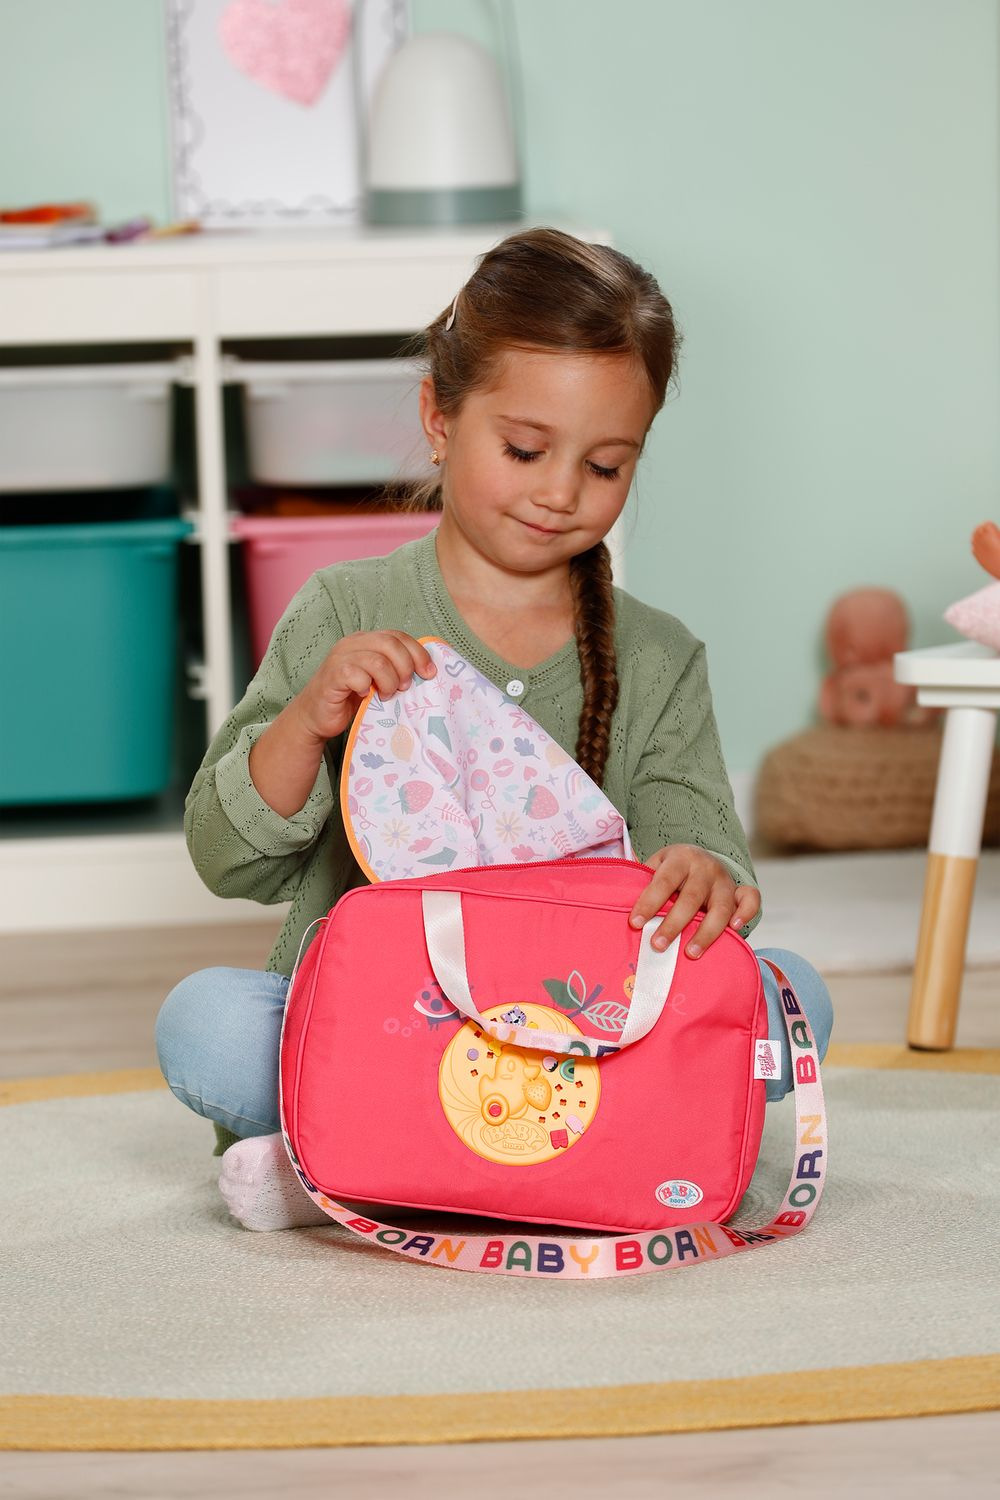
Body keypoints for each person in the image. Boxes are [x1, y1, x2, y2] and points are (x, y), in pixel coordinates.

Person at [156, 227, 833, 1232]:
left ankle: (353, 1164)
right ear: (438, 417)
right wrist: (308, 718)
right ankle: (421, 1152)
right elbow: (225, 859)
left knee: (797, 1000)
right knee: (206, 1024)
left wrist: (702, 873)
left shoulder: (657, 657)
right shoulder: (345, 608)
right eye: (524, 450)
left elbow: (708, 865)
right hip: (383, 1028)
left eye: (605, 466)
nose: (559, 492)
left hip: (581, 1035)